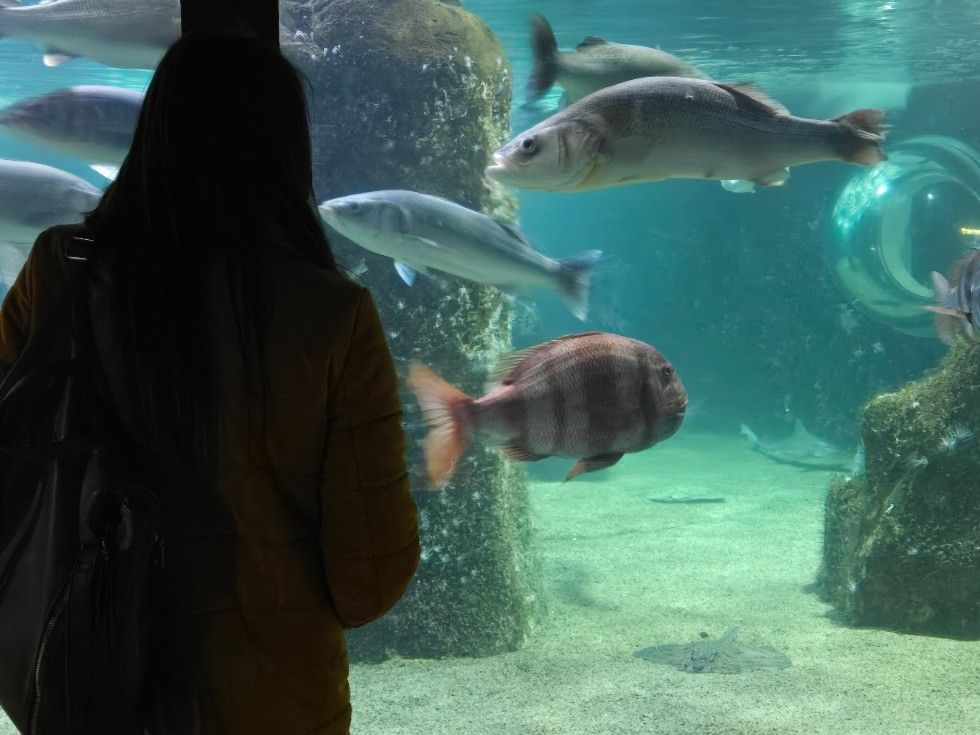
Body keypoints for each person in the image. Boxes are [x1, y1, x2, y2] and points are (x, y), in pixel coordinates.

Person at [0, 30, 420, 734]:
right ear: (288, 152)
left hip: (83, 674)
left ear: (152, 132)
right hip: (276, 701)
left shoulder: (59, 273)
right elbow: (367, 581)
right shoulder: (332, 316)